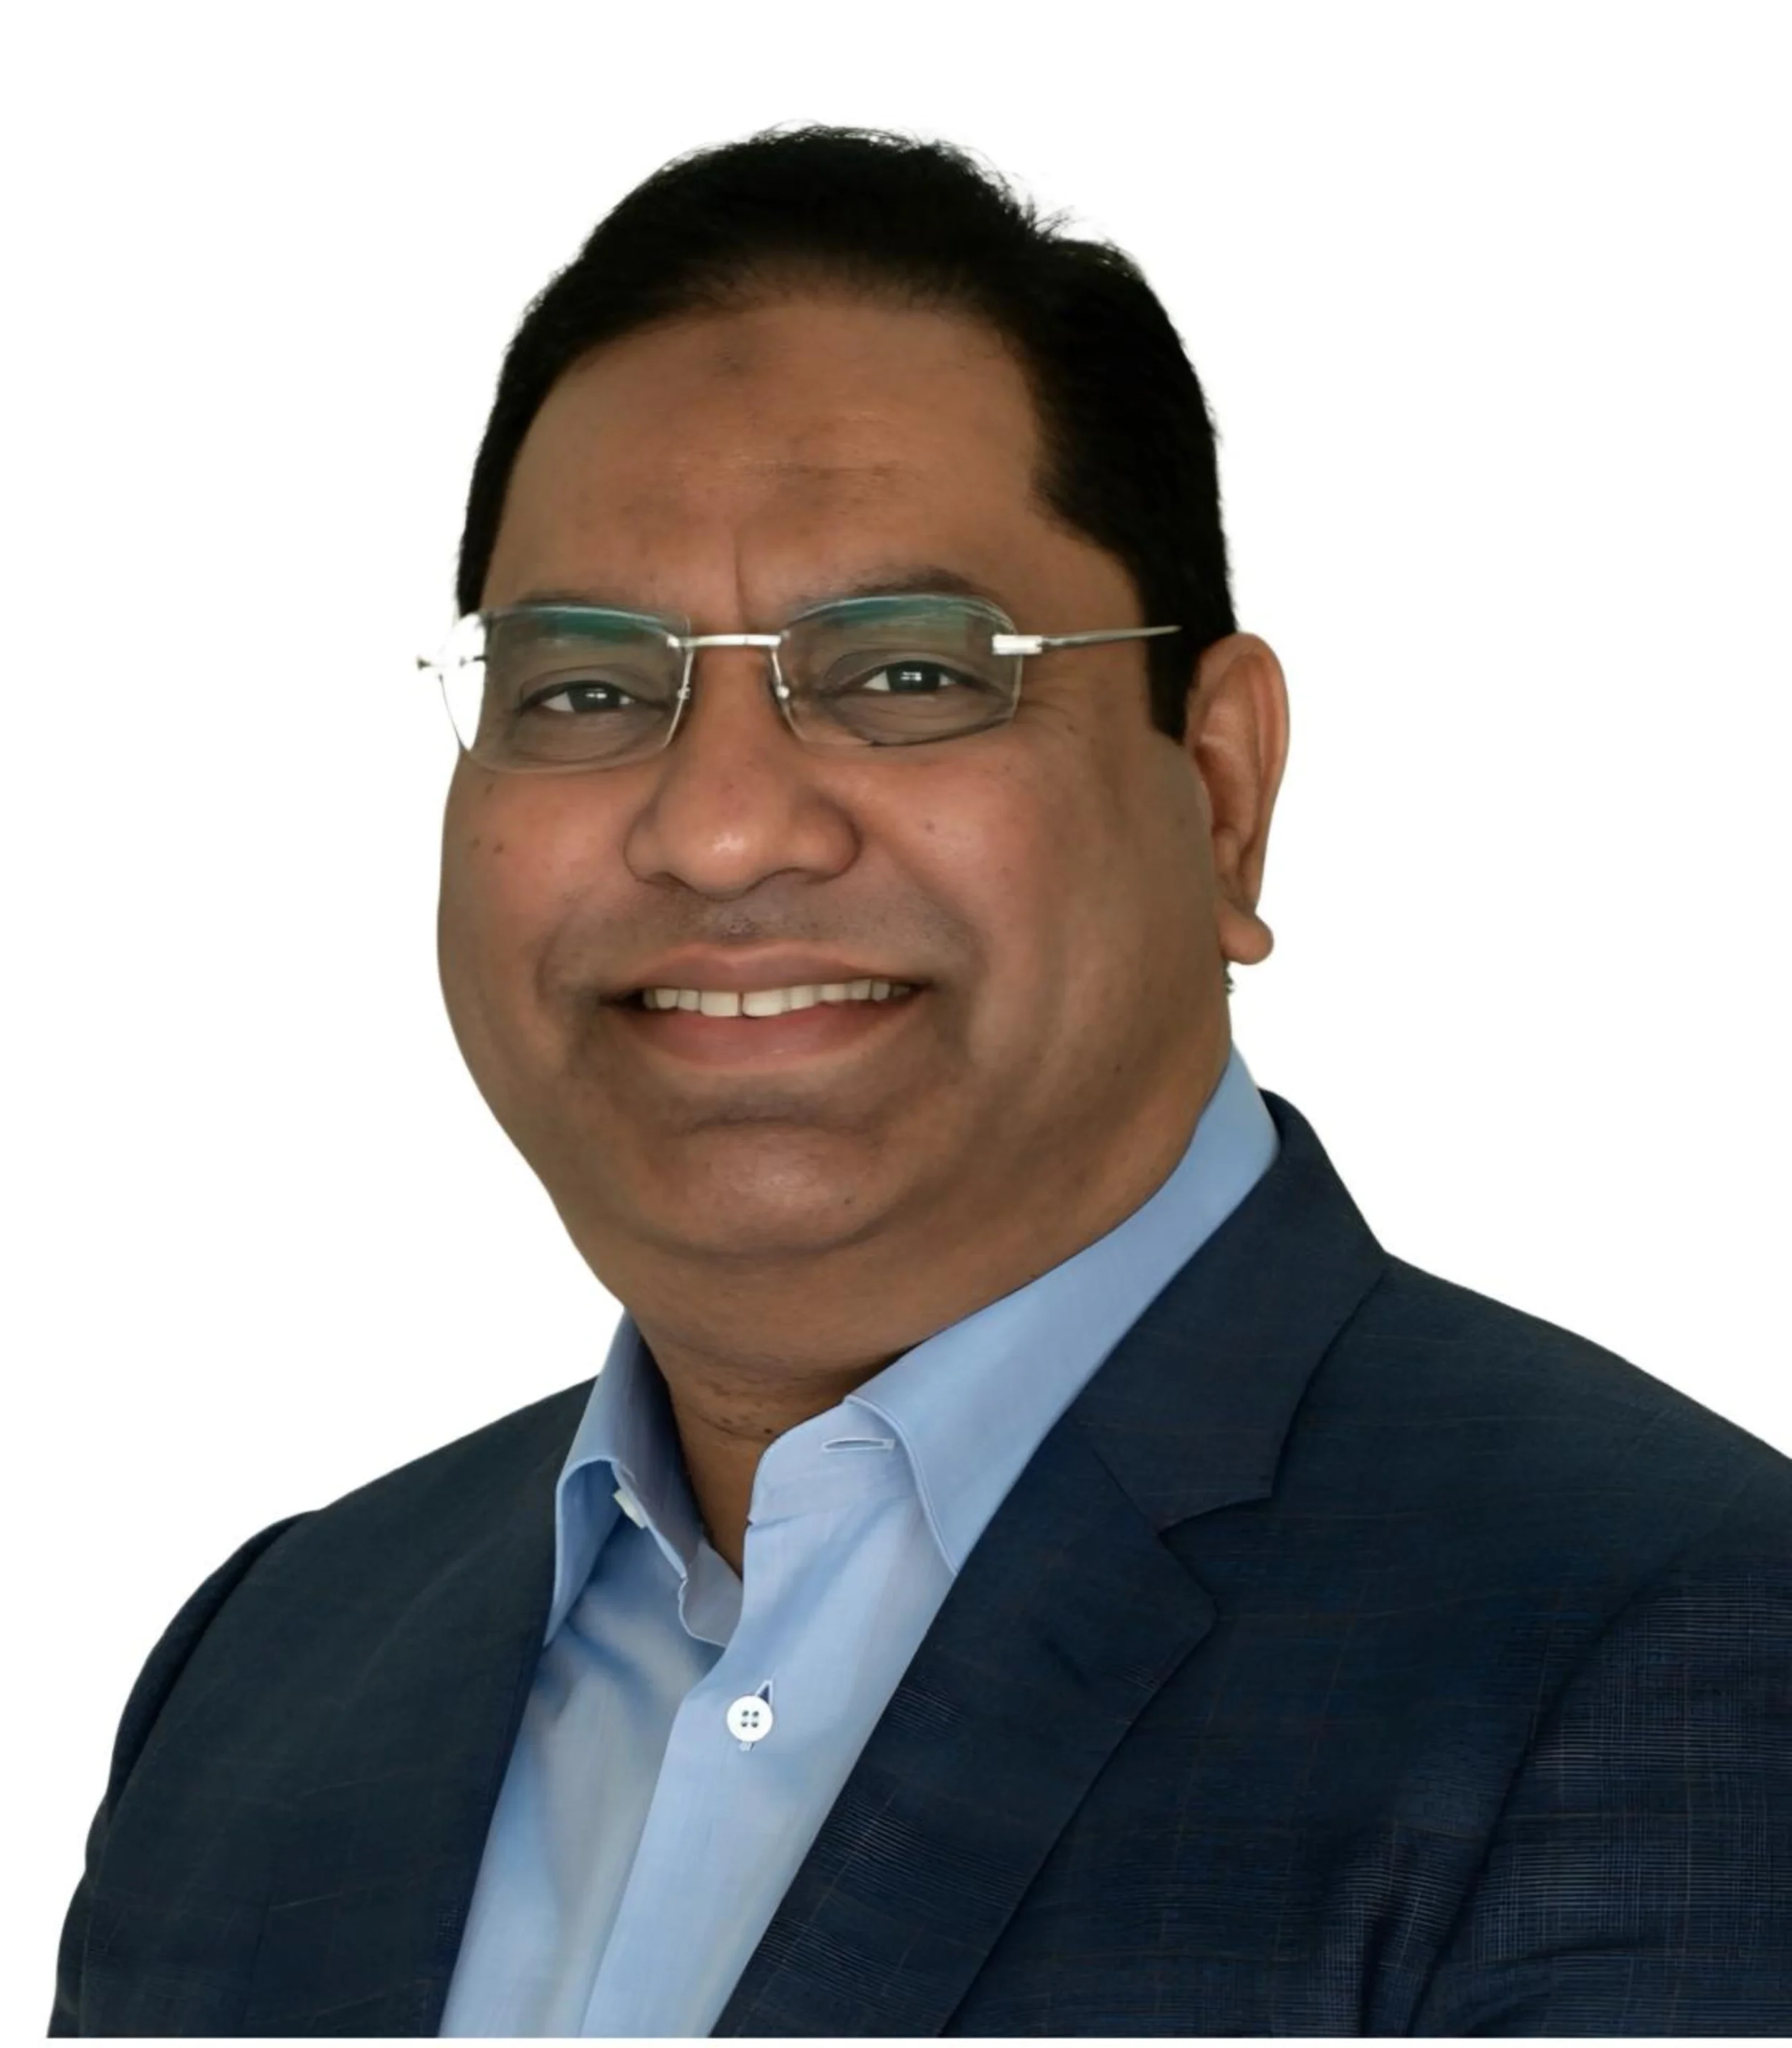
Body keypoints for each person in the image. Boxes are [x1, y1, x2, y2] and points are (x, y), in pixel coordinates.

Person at [51, 125, 1791, 2039]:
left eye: (903, 673)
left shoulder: (1673, 1653)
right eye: (585, 690)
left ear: (1217, 793)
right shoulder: (268, 1677)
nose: (716, 834)